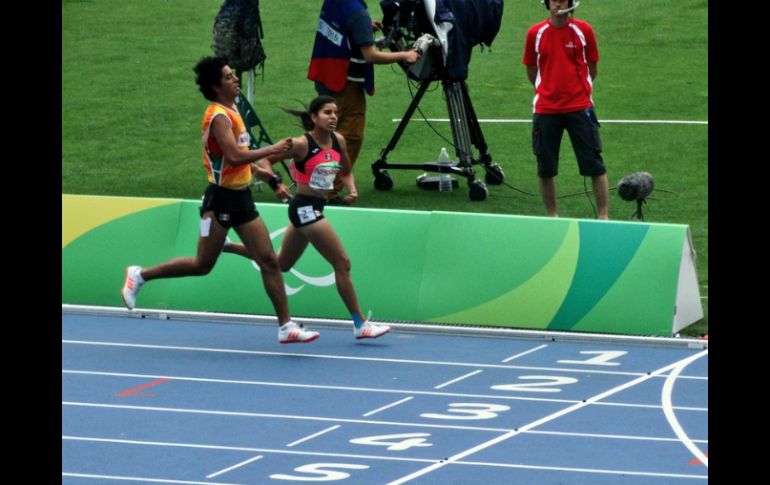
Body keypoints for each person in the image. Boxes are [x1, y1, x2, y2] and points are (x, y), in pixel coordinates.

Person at [120, 56, 320, 345]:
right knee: (203, 264)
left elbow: (242, 162)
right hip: (220, 200)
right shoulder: (219, 117)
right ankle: (140, 274)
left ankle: (286, 327)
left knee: (268, 260)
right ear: (216, 87)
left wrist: (271, 179)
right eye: (228, 77)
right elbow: (235, 156)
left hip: (241, 197)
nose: (235, 79)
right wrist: (273, 149)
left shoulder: (233, 109)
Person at [223, 95, 391, 340]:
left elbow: (345, 170)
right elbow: (266, 158)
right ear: (314, 117)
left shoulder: (338, 141)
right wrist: (275, 182)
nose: (333, 117)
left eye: (335, 112)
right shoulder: (301, 144)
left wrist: (351, 188)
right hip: (304, 208)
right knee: (342, 263)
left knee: (281, 264)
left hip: (315, 208)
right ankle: (360, 324)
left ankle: (226, 246)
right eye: (326, 113)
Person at [307, 0, 420, 204]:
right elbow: (370, 55)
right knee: (349, 137)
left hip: (325, 75)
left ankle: (314, 185)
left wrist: (363, 29)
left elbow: (342, 29)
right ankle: (328, 192)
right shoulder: (357, 12)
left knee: (325, 135)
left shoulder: (335, 3)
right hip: (345, 83)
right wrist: (405, 55)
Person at [522, 0, 609, 219]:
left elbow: (592, 67)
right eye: (553, 0)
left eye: (562, 0)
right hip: (545, 110)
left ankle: (603, 216)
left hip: (580, 108)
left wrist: (580, 92)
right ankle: (552, 216)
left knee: (595, 164)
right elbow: (532, 71)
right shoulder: (536, 33)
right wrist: (549, 90)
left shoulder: (584, 30)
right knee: (546, 167)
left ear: (570, 3)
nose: (557, 4)